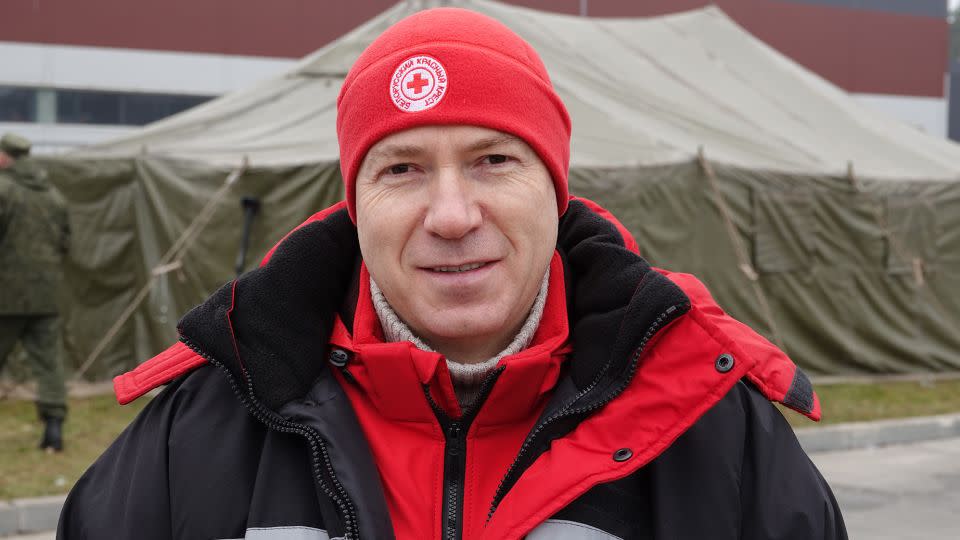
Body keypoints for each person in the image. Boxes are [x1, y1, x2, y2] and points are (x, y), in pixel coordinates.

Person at [59, 8, 846, 539]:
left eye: (493, 161)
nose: (451, 214)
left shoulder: (709, 424)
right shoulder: (199, 429)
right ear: (355, 205)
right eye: (401, 169)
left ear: (555, 187)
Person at [0, 132, 70, 452]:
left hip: (6, 294)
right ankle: (53, 431)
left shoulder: (4, 190)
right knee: (50, 363)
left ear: (6, 156)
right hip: (48, 294)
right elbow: (65, 244)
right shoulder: (53, 196)